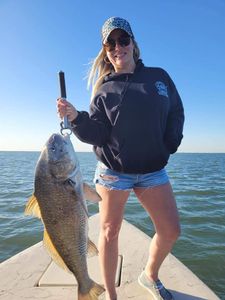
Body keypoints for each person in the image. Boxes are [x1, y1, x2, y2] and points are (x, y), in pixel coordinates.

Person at [57, 16, 184, 300]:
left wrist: (170, 143)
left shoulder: (159, 78)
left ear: (133, 44)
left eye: (123, 40)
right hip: (113, 172)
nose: (118, 47)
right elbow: (98, 133)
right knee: (109, 231)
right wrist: (76, 118)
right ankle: (110, 295)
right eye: (111, 43)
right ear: (106, 50)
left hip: (153, 170)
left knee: (171, 230)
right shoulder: (104, 90)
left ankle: (149, 276)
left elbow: (176, 111)